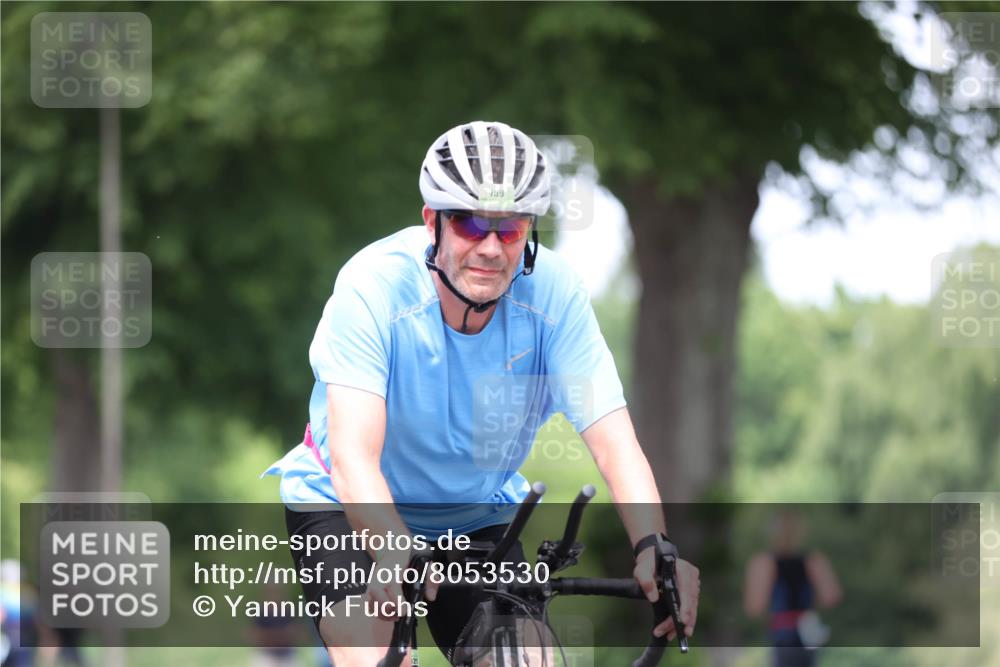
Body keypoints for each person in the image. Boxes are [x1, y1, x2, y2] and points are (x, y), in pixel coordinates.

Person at [263, 120, 700, 665]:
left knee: (526, 660)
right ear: (433, 223)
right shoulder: (371, 289)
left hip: (474, 515)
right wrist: (393, 548)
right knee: (377, 654)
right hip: (348, 508)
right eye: (471, 224)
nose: (491, 248)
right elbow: (354, 459)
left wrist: (654, 547)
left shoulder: (555, 297)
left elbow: (615, 444)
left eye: (510, 228)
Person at [743, 511, 842, 667]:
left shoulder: (764, 563)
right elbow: (831, 597)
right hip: (808, 634)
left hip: (783, 637)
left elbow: (754, 607)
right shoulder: (813, 560)